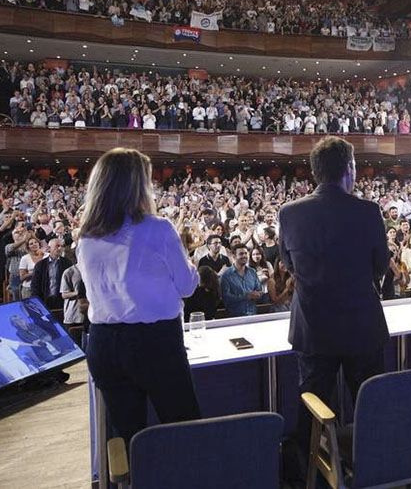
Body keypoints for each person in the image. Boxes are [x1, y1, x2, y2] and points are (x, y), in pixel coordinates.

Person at [75, 148, 200, 441]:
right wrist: (188, 261)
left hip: (104, 342)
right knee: (185, 429)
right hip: (154, 342)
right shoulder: (158, 228)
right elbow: (187, 286)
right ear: (135, 186)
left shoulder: (85, 235)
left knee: (130, 439)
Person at [278, 136, 389, 455]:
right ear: (350, 169)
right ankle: (376, 466)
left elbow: (289, 263)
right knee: (371, 406)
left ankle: (306, 470)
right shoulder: (368, 212)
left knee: (312, 407)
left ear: (316, 172)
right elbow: (379, 266)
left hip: (313, 328)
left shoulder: (290, 213)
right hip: (361, 326)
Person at [30, 238, 73, 313]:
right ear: (49, 248)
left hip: (61, 301)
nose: (60, 248)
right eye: (57, 246)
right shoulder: (40, 265)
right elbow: (35, 286)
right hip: (45, 300)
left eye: (61, 246)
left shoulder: (67, 263)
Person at [220, 246, 265, 317]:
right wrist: (246, 296)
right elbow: (226, 298)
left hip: (252, 314)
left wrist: (258, 294)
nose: (244, 256)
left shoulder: (252, 272)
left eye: (245, 253)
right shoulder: (226, 275)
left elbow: (259, 290)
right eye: (241, 254)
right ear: (234, 256)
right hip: (235, 316)